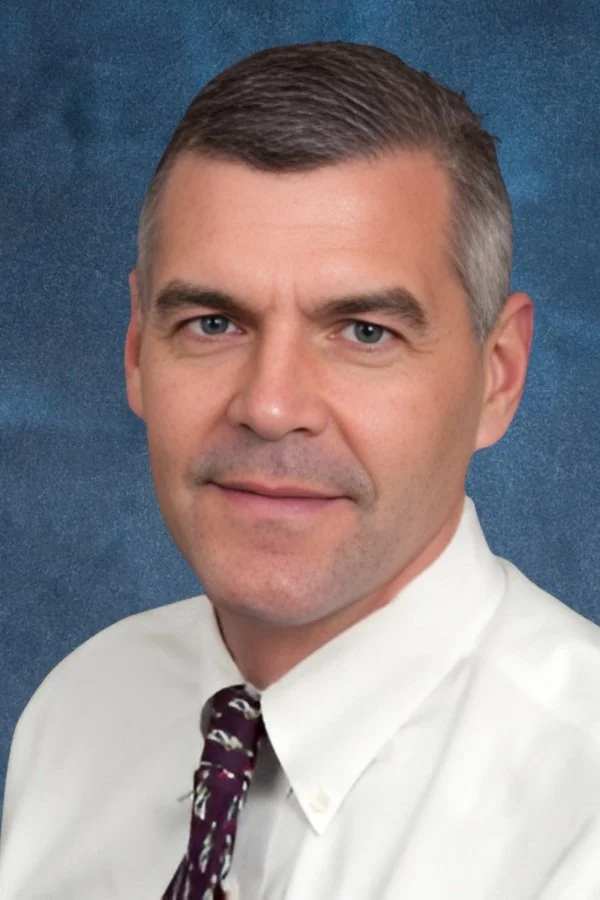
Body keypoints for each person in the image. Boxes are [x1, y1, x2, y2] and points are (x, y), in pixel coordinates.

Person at [1, 41, 599, 900]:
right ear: (136, 351)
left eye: (365, 332)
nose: (271, 406)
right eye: (213, 323)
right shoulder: (80, 711)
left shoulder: (581, 808)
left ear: (497, 376)